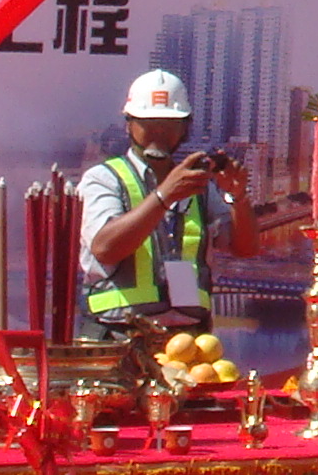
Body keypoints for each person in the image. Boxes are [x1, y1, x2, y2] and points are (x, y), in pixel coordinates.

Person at [80, 69, 243, 321]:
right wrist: (164, 196)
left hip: (188, 339)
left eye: (169, 125)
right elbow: (105, 248)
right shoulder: (104, 178)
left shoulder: (198, 184)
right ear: (129, 126)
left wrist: (238, 198)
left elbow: (243, 247)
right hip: (119, 332)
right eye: (149, 124)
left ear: (185, 129)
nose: (159, 133)